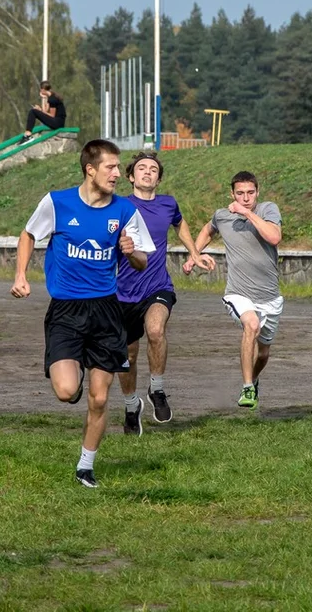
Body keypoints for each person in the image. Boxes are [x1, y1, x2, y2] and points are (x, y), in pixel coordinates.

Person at [11, 139, 155, 488]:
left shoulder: (124, 211)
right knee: (65, 391)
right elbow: (29, 235)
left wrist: (131, 250)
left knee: (101, 396)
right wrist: (20, 275)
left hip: (106, 311)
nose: (118, 174)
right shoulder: (57, 202)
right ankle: (74, 378)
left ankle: (85, 466)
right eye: (111, 167)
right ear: (90, 169)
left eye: (119, 168)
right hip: (66, 311)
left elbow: (142, 261)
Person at [115, 152, 214, 435]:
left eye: (154, 169)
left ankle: (157, 389)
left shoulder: (168, 203)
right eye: (142, 168)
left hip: (158, 285)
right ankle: (131, 405)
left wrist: (195, 253)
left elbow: (180, 223)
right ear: (131, 176)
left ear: (159, 177)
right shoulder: (119, 206)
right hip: (123, 293)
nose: (148, 172)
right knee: (128, 356)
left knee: (156, 330)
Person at [186, 171, 282, 410]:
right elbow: (208, 230)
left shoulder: (268, 210)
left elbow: (274, 237)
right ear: (232, 194)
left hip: (270, 297)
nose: (245, 197)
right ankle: (247, 387)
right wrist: (193, 255)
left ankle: (255, 379)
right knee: (251, 325)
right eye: (240, 193)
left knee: (263, 354)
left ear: (257, 192)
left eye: (250, 193)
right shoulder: (222, 216)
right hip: (238, 292)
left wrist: (247, 213)